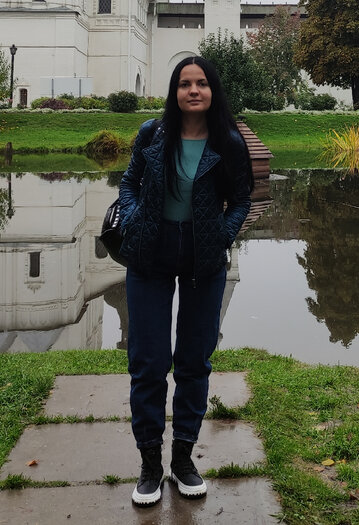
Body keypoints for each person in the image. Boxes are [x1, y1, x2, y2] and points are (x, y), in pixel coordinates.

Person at [118, 56, 254, 506]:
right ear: (174, 92)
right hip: (148, 256)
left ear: (213, 90)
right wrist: (136, 217)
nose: (193, 91)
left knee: (194, 362)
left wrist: (221, 236)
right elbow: (129, 183)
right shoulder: (152, 134)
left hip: (203, 261)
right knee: (149, 362)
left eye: (201, 83)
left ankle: (183, 459)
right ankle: (150, 464)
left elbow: (241, 199)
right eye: (184, 84)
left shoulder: (228, 142)